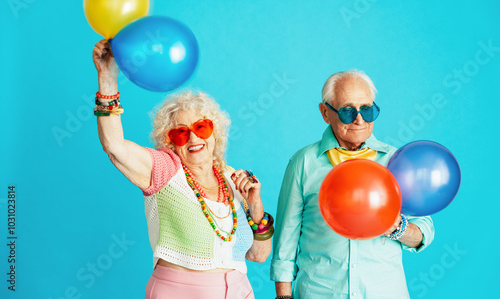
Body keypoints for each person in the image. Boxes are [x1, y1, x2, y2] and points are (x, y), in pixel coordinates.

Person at [92, 39, 273, 299]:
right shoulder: (166, 169)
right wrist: (107, 79)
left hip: (239, 291)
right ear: (170, 141)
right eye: (181, 133)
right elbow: (114, 146)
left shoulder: (231, 178)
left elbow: (258, 255)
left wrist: (255, 205)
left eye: (201, 127)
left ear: (215, 132)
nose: (193, 138)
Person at [271, 70, 435, 299]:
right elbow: (285, 243)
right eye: (348, 111)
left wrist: (399, 228)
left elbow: (423, 232)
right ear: (325, 112)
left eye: (367, 110)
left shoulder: (395, 161)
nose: (360, 120)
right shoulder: (303, 162)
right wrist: (283, 296)